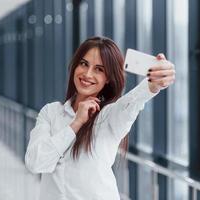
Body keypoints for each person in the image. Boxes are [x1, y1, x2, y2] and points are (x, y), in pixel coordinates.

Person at [25, 36, 175, 200]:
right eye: (84, 64)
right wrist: (76, 123)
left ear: (108, 78)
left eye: (99, 69)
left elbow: (133, 102)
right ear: (75, 66)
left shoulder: (109, 116)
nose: (88, 74)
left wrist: (153, 84)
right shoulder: (51, 112)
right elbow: (35, 162)